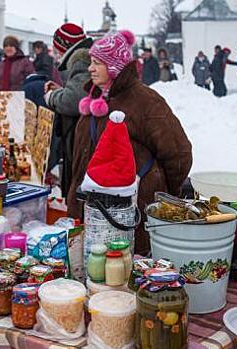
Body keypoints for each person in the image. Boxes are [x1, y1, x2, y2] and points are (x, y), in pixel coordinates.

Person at [68, 29, 192, 255]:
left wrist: (161, 192)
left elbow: (179, 153)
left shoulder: (146, 101)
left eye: (97, 63)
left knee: (125, 272)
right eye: (91, 62)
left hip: (132, 211)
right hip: (92, 208)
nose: (90, 68)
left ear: (114, 67)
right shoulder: (95, 99)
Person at [44, 22, 93, 200]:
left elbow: (74, 101)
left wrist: (52, 96)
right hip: (81, 131)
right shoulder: (83, 57)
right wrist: (61, 90)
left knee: (78, 182)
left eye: (57, 49)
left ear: (64, 45)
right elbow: (79, 90)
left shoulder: (81, 59)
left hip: (81, 133)